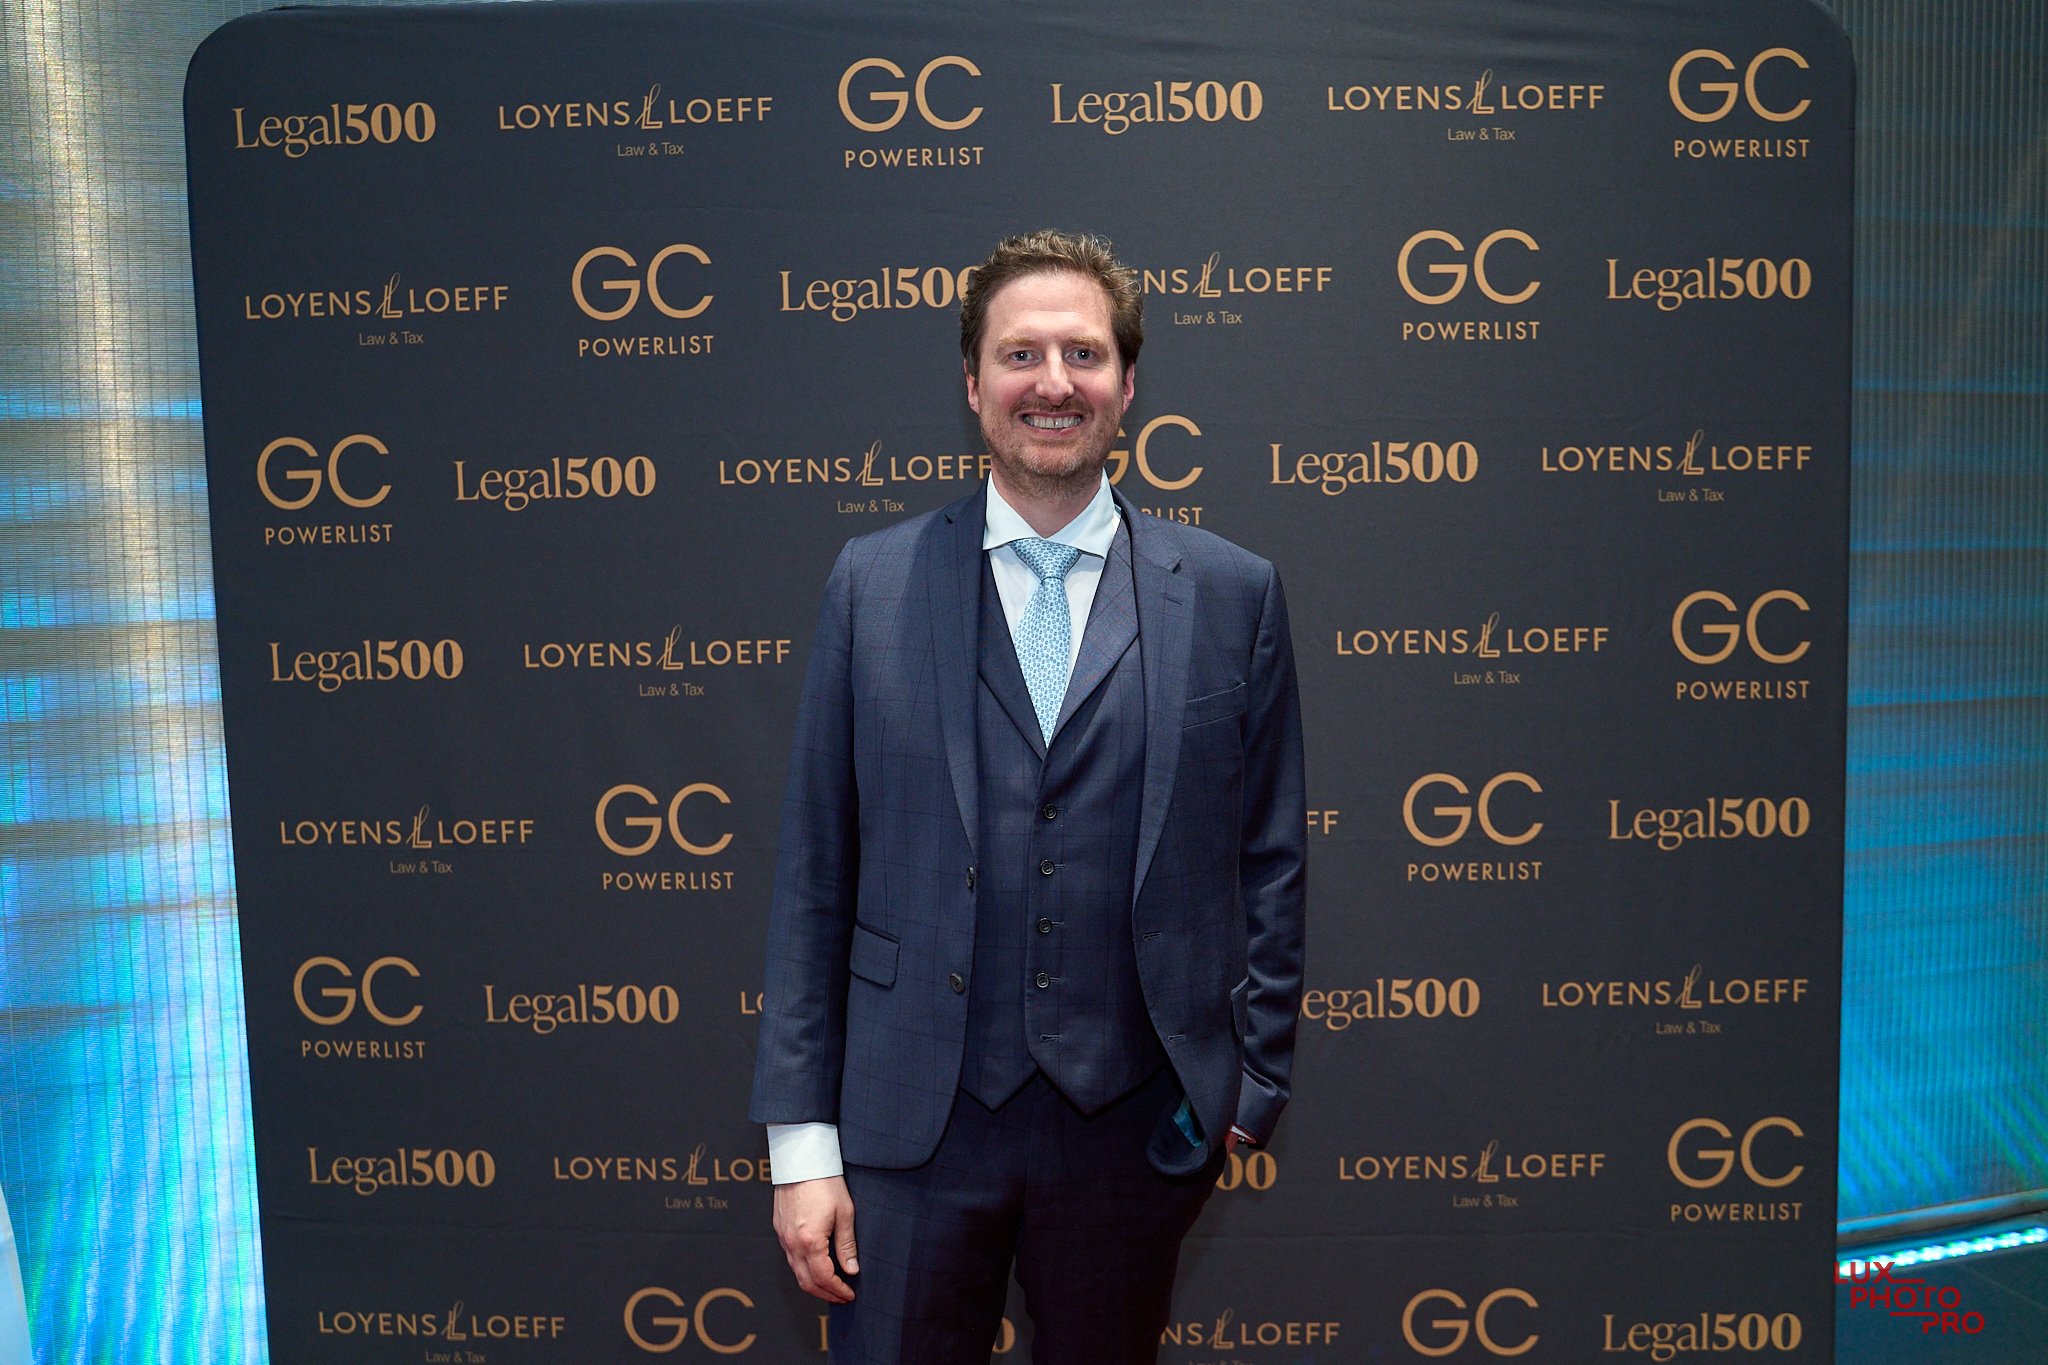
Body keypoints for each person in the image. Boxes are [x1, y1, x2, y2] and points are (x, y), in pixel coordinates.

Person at [749, 228, 1306, 1365]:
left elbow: (1271, 856)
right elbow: (816, 872)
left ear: (1127, 384)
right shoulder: (871, 582)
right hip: (907, 1126)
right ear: (972, 384)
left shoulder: (1231, 592)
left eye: (1083, 354)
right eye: (1020, 355)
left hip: (1133, 1130)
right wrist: (800, 1144)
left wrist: (1247, 1082)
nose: (1053, 382)